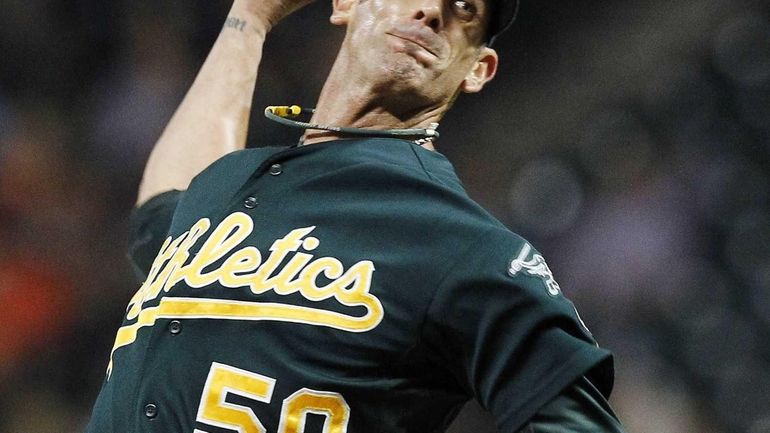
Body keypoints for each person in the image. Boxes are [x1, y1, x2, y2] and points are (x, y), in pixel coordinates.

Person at [85, 0, 627, 432]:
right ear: (346, 3)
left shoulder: (465, 247)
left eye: (465, 9)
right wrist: (250, 16)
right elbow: (162, 215)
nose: (432, 12)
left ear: (479, 70)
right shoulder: (228, 184)